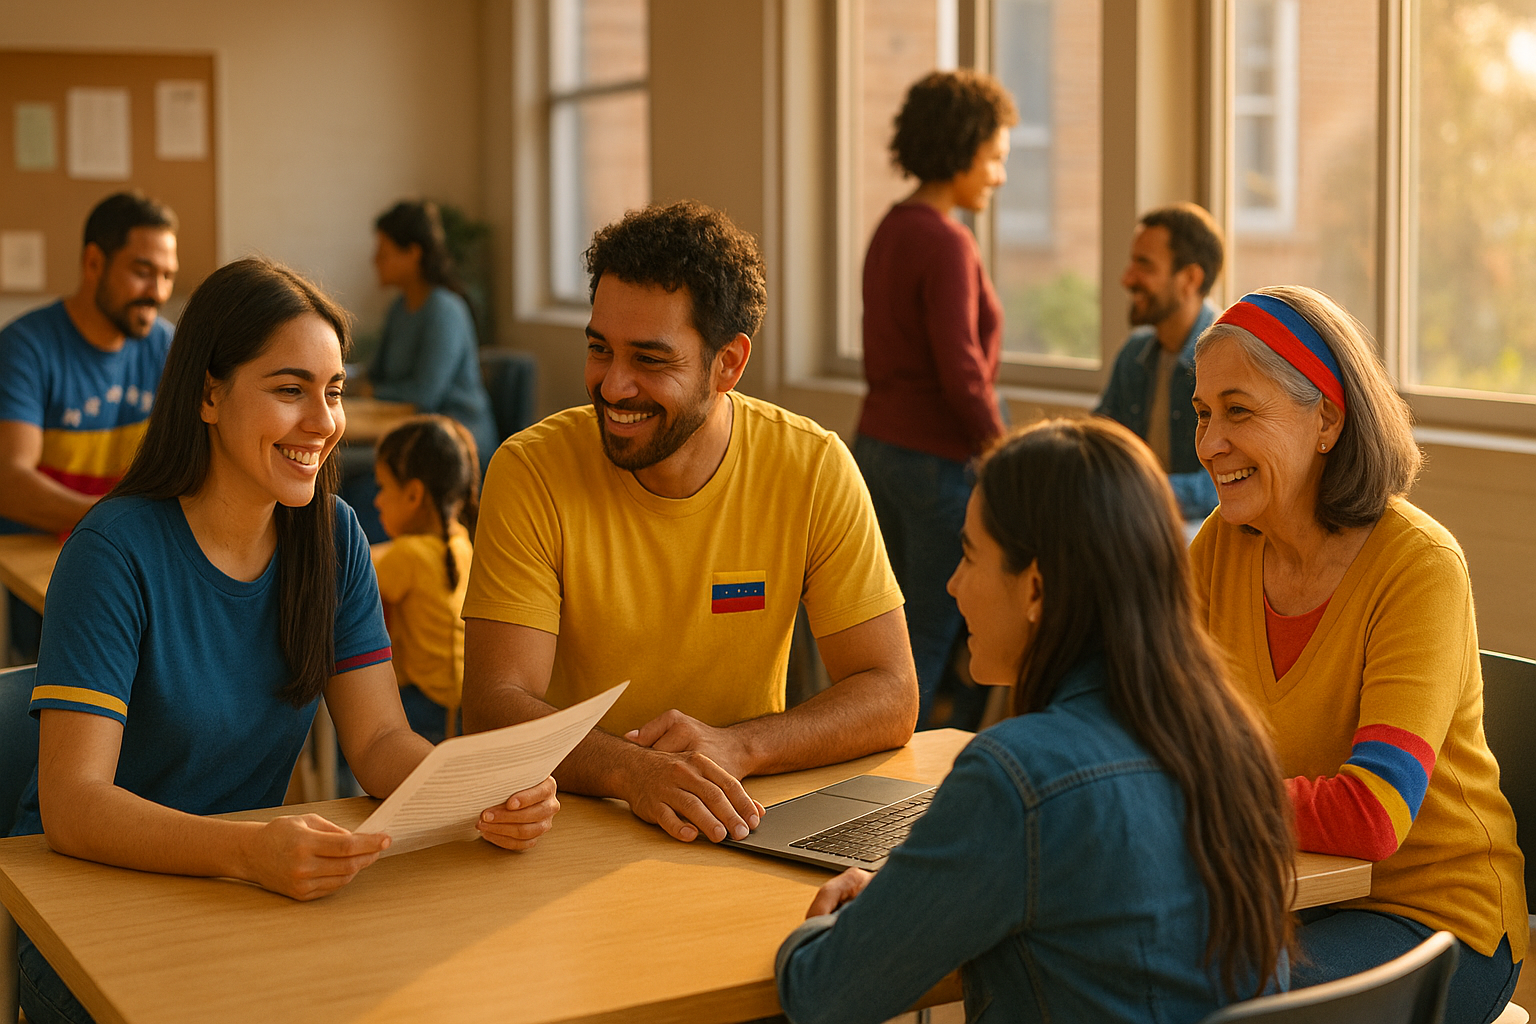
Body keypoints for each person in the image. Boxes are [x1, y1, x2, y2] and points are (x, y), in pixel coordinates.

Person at [10, 257, 559, 1024]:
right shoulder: (114, 550)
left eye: (332, 391)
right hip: (91, 910)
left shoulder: (332, 538)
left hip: (244, 903)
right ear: (208, 392)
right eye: (289, 389)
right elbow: (73, 805)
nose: (324, 422)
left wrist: (474, 795)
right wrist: (245, 851)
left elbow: (376, 741)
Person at [775, 418, 1296, 1024]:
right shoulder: (1235, 744)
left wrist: (837, 928)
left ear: (1037, 589)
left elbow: (822, 997)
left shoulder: (1015, 776)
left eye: (970, 556)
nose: (953, 583)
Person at [462, 200, 918, 848]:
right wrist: (634, 772)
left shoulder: (813, 467)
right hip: (568, 826)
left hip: (738, 824)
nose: (613, 386)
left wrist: (741, 747)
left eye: (650, 360)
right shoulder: (530, 470)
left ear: (728, 364)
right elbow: (492, 706)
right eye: (600, 349)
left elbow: (892, 694)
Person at [1189, 286, 1526, 1024]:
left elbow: (1374, 814)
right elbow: (1161, 736)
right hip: (1288, 892)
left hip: (1434, 919)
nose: (1209, 442)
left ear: (1327, 421)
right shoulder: (1218, 547)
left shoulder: (1418, 566)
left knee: (1211, 1000)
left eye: (1238, 411)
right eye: (1202, 413)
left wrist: (1195, 796)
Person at [853, 69, 1016, 730]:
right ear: (964, 147)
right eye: (996, 158)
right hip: (935, 467)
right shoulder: (947, 241)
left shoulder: (891, 229)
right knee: (924, 645)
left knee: (878, 643)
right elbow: (962, 369)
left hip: (877, 453)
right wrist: (1004, 448)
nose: (999, 176)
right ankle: (904, 803)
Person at [0, 191, 178, 659]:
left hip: (129, 558)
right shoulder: (26, 348)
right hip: (35, 567)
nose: (157, 292)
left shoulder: (168, 347)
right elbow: (9, 483)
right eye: (143, 271)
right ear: (94, 262)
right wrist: (116, 526)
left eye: (167, 276)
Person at [1096, 202, 1224, 522]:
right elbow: (1100, 445)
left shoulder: (1229, 360)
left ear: (1190, 279)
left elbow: (1224, 485)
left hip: (1196, 534)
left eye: (1145, 265)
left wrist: (1135, 491)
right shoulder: (1134, 355)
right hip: (1139, 523)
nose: (1127, 278)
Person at [373, 414, 480, 744]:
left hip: (426, 707)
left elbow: (354, 572)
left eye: (383, 487)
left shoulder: (408, 556)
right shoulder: (460, 542)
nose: (376, 500)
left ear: (413, 495)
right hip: (460, 706)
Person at [367, 200, 498, 464]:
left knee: (349, 469)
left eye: (384, 252)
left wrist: (373, 392)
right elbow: (375, 373)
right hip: (413, 432)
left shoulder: (444, 310)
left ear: (413, 253)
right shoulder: (399, 309)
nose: (375, 260)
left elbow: (425, 395)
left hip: (455, 445)